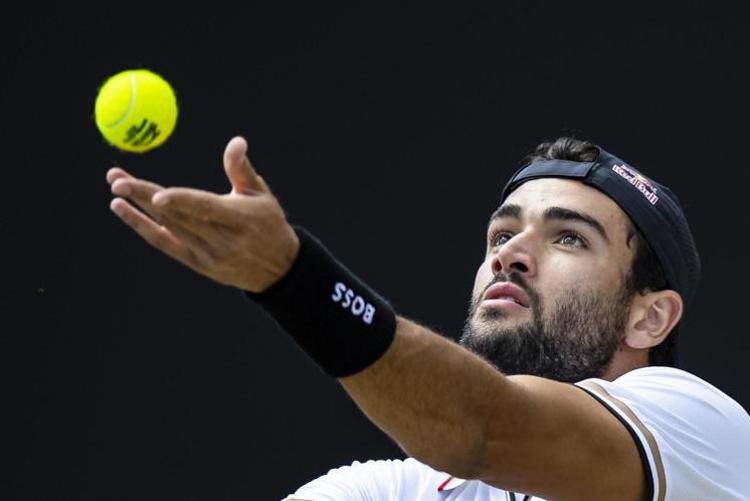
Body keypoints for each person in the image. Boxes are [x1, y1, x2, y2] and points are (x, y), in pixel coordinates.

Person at [106, 136, 750, 500]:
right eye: (500, 236)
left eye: (569, 239)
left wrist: (293, 278)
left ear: (650, 318)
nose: (511, 256)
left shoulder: (700, 431)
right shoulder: (397, 491)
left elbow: (483, 427)